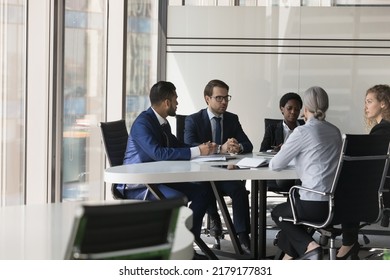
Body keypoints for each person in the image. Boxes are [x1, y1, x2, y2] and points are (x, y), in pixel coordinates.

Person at [121, 81, 215, 252]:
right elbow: (159, 153)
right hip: (140, 183)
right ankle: (179, 248)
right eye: (175, 99)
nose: (177, 103)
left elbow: (176, 145)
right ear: (166, 102)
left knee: (204, 191)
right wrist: (197, 151)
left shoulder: (162, 122)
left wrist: (202, 149)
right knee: (177, 199)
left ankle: (186, 242)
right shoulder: (143, 123)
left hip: (160, 178)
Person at [269, 86, 342, 260]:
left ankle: (311, 248)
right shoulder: (335, 131)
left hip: (312, 204)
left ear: (305, 108)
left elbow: (275, 164)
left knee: (278, 213)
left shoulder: (302, 131)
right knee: (294, 227)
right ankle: (287, 260)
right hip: (335, 204)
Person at [184, 79, 253, 253]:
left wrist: (239, 147)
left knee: (239, 190)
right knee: (205, 191)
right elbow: (189, 146)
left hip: (224, 174)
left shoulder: (232, 119)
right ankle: (211, 219)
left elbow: (249, 144)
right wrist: (220, 148)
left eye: (226, 98)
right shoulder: (193, 120)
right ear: (207, 99)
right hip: (201, 176)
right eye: (219, 98)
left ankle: (243, 235)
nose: (224, 102)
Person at [337, 84, 390, 260]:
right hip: (384, 187)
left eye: (369, 101)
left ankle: (348, 242)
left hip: (381, 191)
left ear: (383, 104)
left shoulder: (382, 131)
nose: (365, 106)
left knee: (343, 188)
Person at [260, 92, 303, 192]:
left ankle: (293, 203)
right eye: (289, 108)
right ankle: (293, 203)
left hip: (300, 168)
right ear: (282, 109)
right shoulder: (272, 129)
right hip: (281, 169)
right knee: (286, 181)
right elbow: (262, 151)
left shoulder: (304, 128)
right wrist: (274, 151)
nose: (293, 112)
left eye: (297, 109)